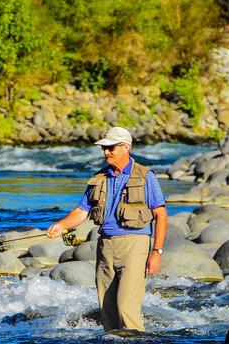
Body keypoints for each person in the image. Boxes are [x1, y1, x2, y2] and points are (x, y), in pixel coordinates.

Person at [45, 126, 167, 332]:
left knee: (126, 308)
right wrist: (61, 225)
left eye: (111, 148)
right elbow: (82, 211)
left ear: (125, 147)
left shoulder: (146, 176)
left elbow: (160, 215)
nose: (106, 152)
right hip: (105, 247)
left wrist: (156, 252)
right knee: (108, 311)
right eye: (104, 148)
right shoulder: (99, 178)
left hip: (134, 246)